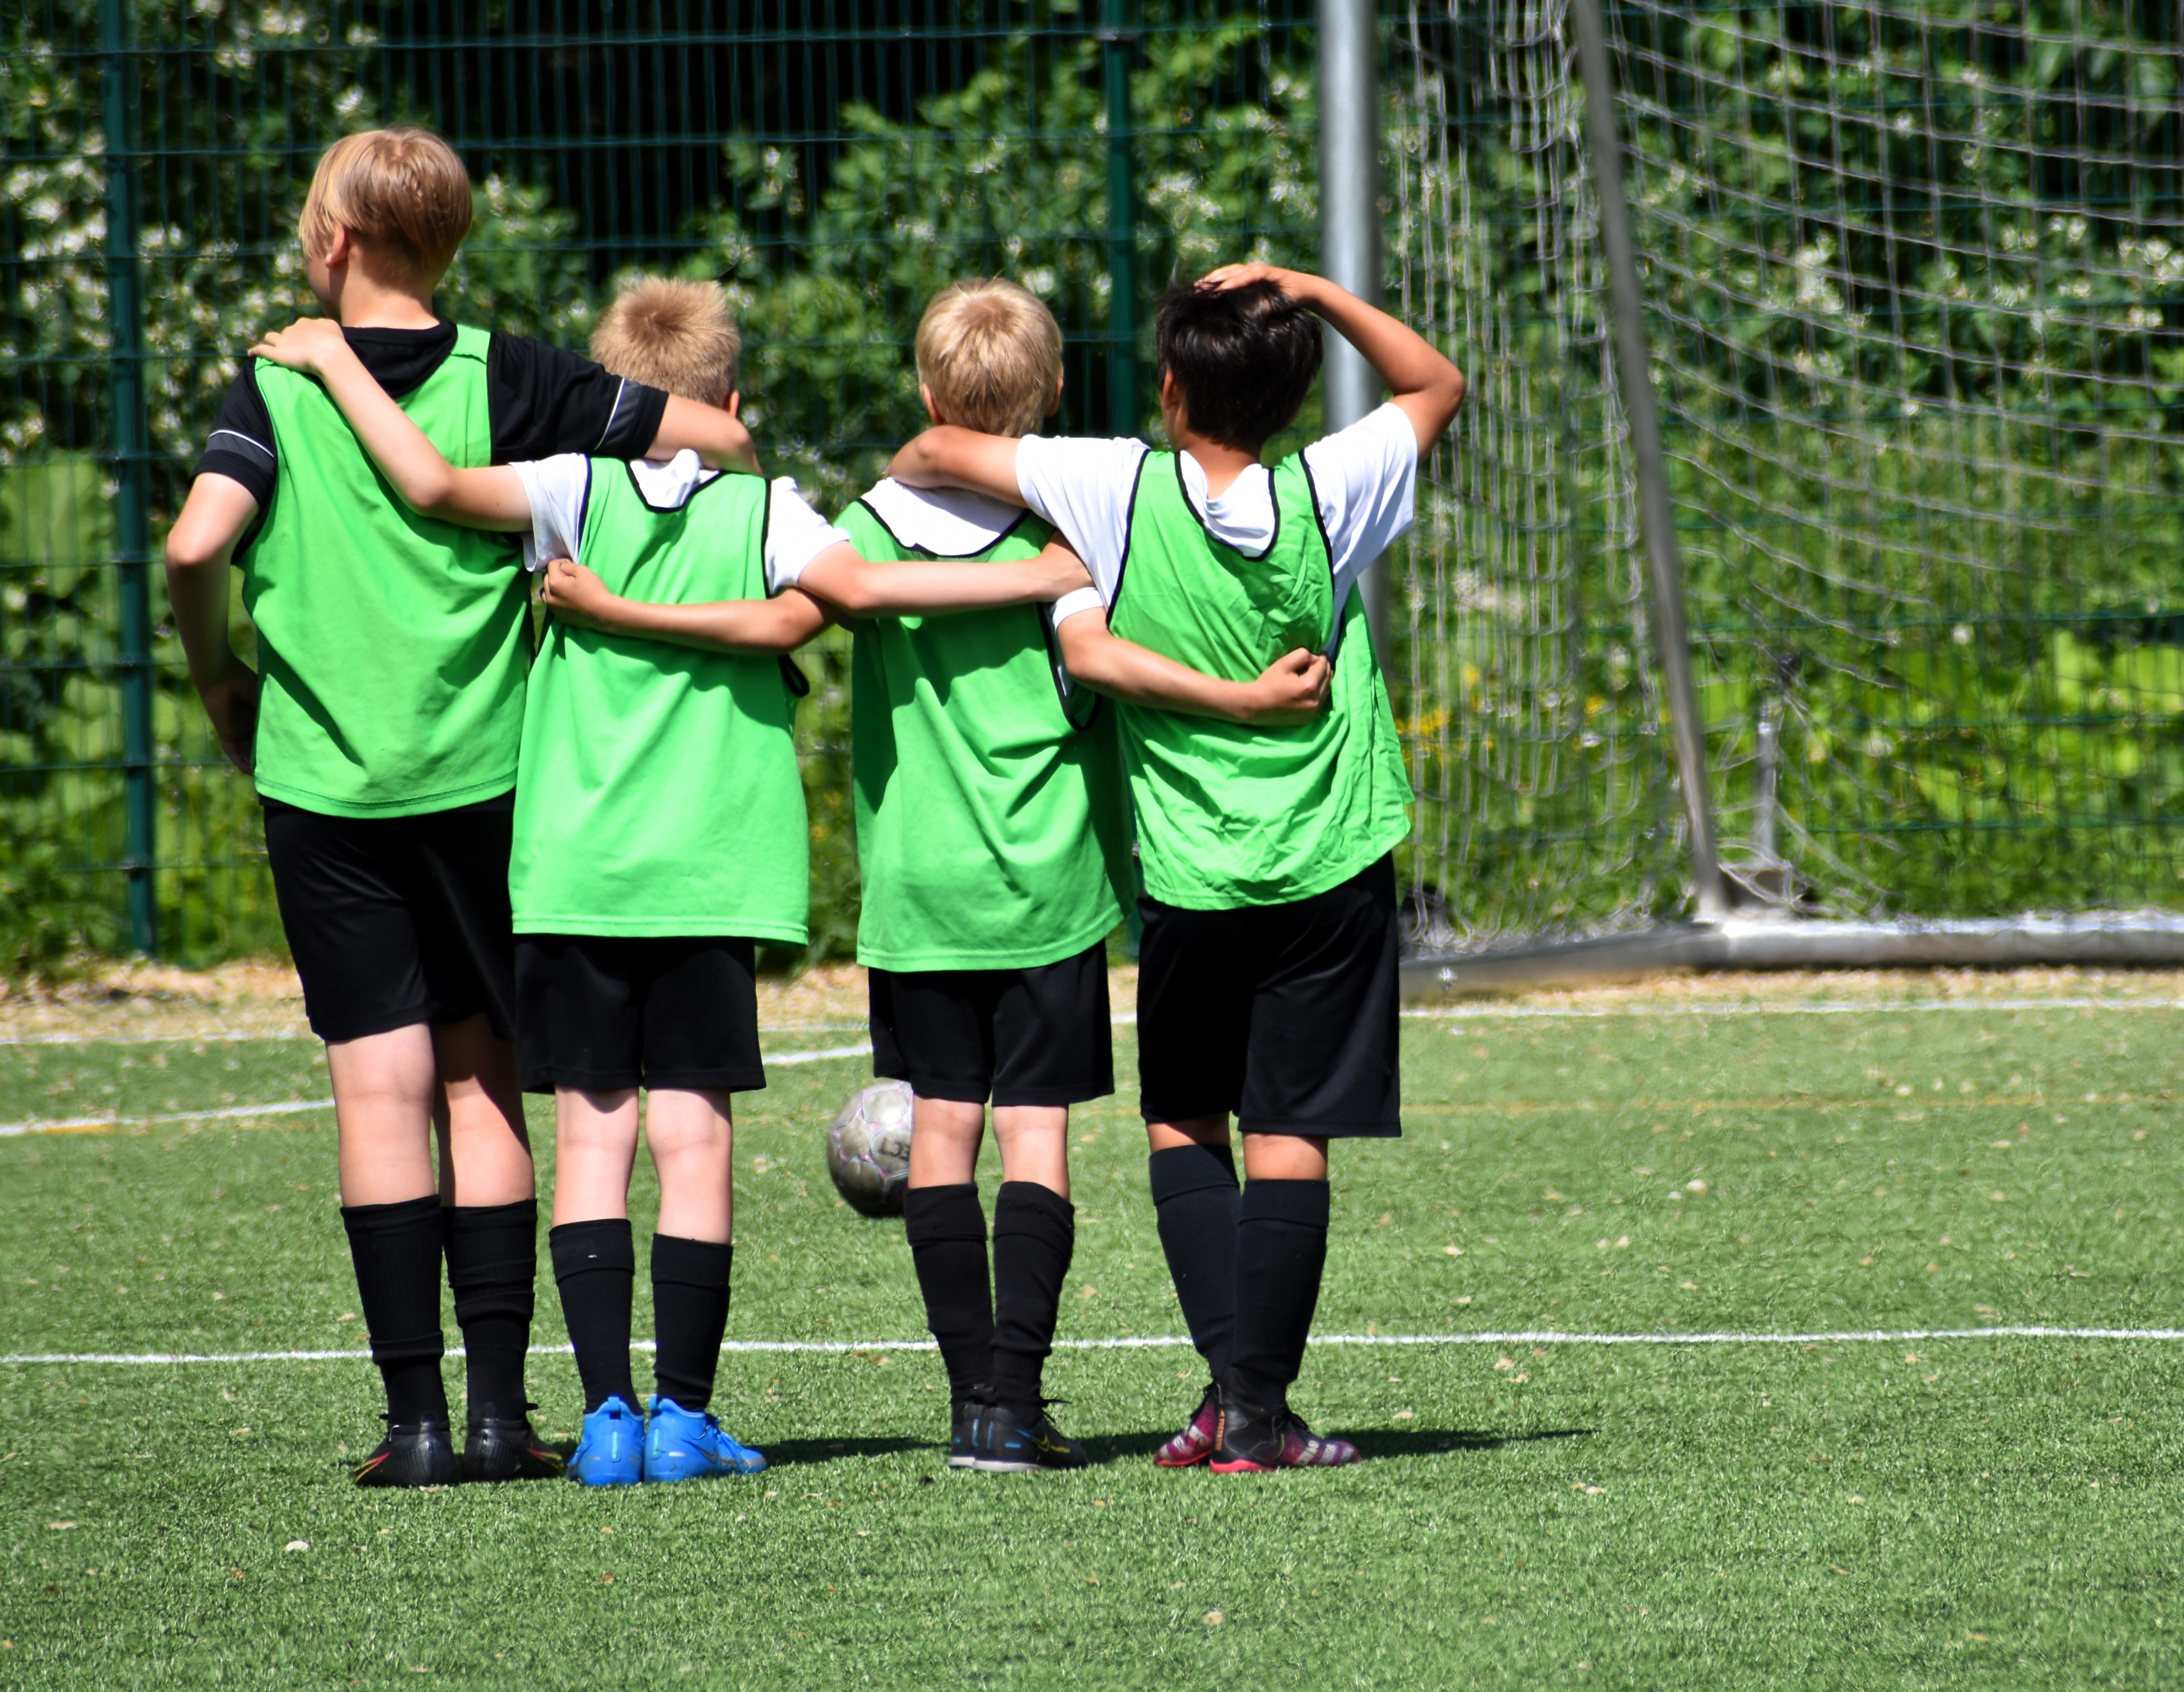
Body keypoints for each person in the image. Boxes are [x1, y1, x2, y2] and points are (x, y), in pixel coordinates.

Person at [251, 278, 1090, 1484]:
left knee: (592, 1140)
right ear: (731, 397)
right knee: (693, 1140)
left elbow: (428, 487)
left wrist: (336, 368)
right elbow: (837, 604)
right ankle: (687, 1419)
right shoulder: (762, 509)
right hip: (712, 868)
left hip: (574, 869)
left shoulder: (559, 492)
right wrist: (1039, 575)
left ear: (606, 397)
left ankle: (604, 1421)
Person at [568, 278, 1329, 1471]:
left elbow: (794, 614)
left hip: (916, 892)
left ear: (927, 395)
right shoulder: (1066, 535)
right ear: (1055, 395)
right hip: (1048, 886)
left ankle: (973, 1401)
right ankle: (1016, 1405)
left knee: (940, 1142)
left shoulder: (857, 527)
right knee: (1035, 1140)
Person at [163, 129, 754, 1488]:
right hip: (491, 780)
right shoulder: (517, 377)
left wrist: (219, 675)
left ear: (329, 244)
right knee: (485, 1076)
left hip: (321, 783)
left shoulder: (280, 382)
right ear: (452, 241)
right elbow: (713, 439)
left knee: (379, 1090)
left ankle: (414, 1429)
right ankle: (502, 1420)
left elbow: (199, 542)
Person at [887, 262, 1465, 1470]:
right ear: (1298, 394)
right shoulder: (1336, 485)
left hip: (1193, 870)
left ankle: (1231, 1398)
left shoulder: (1107, 484)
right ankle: (1252, 1412)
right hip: (1331, 856)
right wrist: (1313, 287)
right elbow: (1436, 381)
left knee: (1183, 1123)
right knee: (1291, 1127)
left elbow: (935, 448)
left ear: (1166, 387)